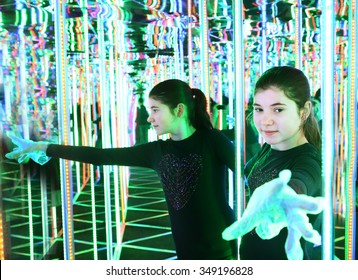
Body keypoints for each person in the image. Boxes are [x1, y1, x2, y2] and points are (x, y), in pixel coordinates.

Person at [6, 77, 323, 260]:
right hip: (184, 247)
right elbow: (100, 155)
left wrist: (284, 193)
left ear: (180, 110)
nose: (149, 118)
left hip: (222, 249)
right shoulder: (155, 151)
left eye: (155, 110)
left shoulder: (212, 142)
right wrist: (45, 147)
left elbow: (252, 171)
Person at [223, 66, 323, 260]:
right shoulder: (271, 145)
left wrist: (285, 195)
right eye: (259, 109)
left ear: (304, 111)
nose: (265, 121)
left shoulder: (309, 161)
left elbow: (300, 182)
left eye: (278, 109)